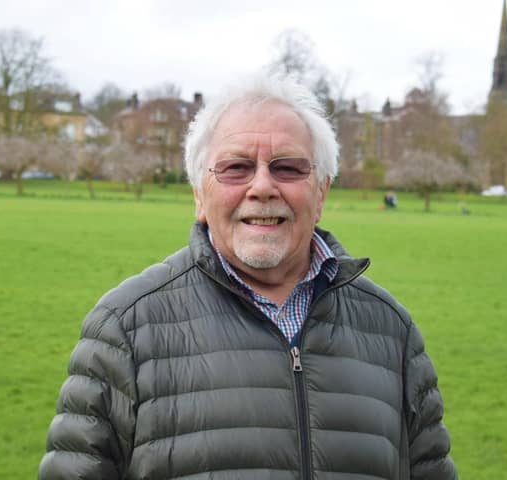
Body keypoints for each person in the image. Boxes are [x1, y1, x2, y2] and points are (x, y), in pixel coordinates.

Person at [39, 74, 457, 480]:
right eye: (236, 167)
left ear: (322, 194)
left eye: (288, 168)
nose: (262, 186)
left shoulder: (392, 332)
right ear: (199, 196)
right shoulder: (124, 330)